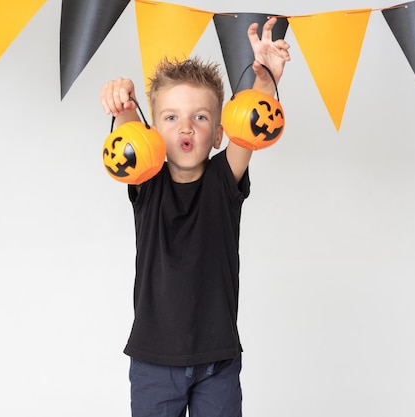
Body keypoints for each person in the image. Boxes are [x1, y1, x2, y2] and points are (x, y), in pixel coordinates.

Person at [100, 17, 290, 417]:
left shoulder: (225, 178)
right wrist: (123, 104)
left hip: (217, 361)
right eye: (170, 117)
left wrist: (267, 77)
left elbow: (254, 121)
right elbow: (129, 143)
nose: (186, 126)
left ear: (219, 133)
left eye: (200, 118)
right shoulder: (147, 183)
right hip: (153, 362)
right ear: (153, 131)